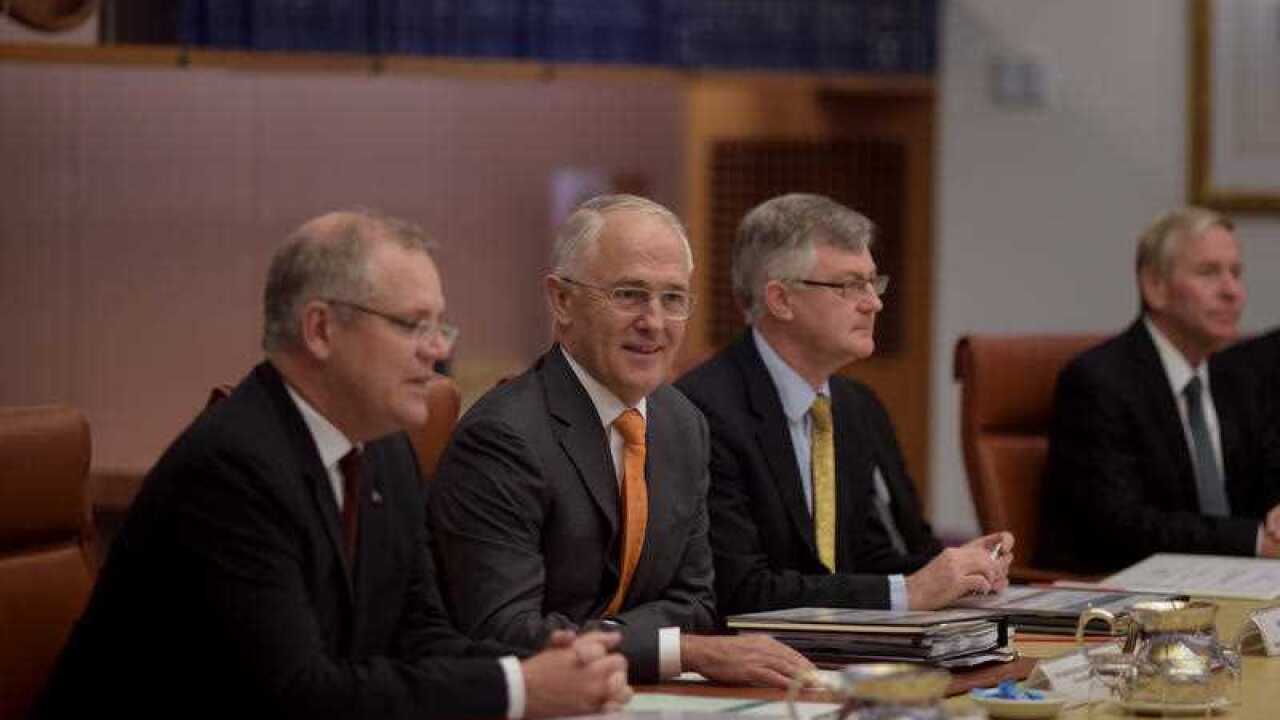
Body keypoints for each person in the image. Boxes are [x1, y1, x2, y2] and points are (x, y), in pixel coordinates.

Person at [38, 210, 630, 719]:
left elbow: (418, 634)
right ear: (320, 329)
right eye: (412, 324)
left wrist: (536, 664)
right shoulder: (232, 469)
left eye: (439, 325)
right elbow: (299, 697)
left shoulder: (386, 447)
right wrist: (516, 690)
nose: (439, 348)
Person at [429, 195, 813, 688]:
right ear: (561, 300)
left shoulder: (683, 423)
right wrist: (675, 649)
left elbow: (696, 603)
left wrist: (639, 641)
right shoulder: (502, 436)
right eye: (629, 294)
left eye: (673, 298)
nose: (653, 321)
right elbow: (502, 631)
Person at [674, 193, 1011, 616]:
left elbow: (867, 562)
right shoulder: (702, 412)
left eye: (873, 281)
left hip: (852, 651)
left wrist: (962, 571)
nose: (874, 302)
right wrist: (910, 592)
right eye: (850, 285)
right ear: (781, 300)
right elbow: (740, 591)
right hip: (759, 663)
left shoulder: (856, 407)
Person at [1040, 207, 1280, 573]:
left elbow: (1268, 476)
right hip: (1118, 596)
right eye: (1209, 272)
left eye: (1236, 273)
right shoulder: (1098, 381)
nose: (1232, 291)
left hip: (1232, 585)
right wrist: (1250, 540)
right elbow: (1119, 524)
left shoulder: (1238, 379)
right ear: (1155, 286)